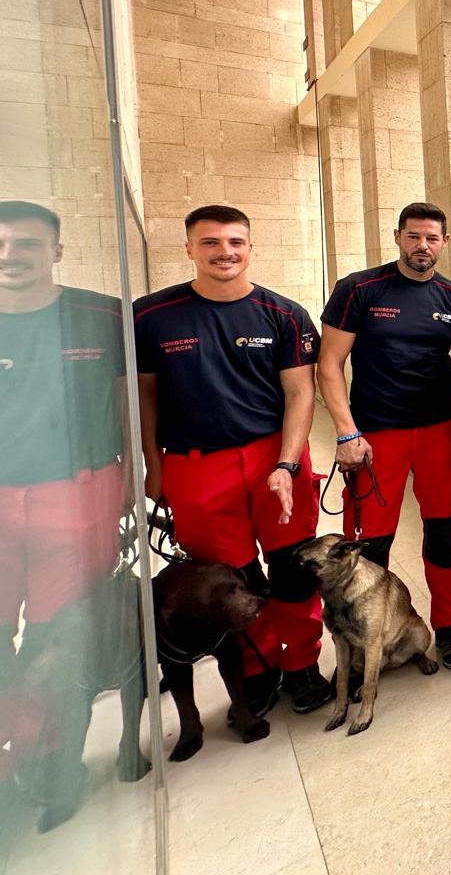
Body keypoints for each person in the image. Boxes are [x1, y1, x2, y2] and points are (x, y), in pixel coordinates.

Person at [134, 205, 331, 713]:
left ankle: (302, 665)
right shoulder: (151, 316)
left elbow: (300, 395)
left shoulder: (284, 314)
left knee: (292, 570)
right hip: (196, 466)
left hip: (273, 456)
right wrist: (153, 470)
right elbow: (144, 398)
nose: (225, 252)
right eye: (211, 243)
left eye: (235, 242)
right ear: (189, 249)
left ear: (250, 247)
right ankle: (256, 669)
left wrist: (288, 464)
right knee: (233, 579)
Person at [0, 202, 128, 788]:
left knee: (61, 632)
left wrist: (132, 477)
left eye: (26, 244)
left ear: (55, 250)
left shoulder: (101, 315)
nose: (9, 256)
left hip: (78, 494)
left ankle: (46, 758)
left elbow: (128, 402)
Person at [317, 203, 451, 671]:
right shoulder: (359, 289)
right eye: (413, 236)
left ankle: (448, 625)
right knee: (370, 545)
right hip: (375, 437)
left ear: (444, 243)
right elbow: (329, 366)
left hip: (440, 431)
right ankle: (369, 635)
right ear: (397, 237)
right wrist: (346, 432)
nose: (422, 246)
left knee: (444, 535)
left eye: (431, 238)